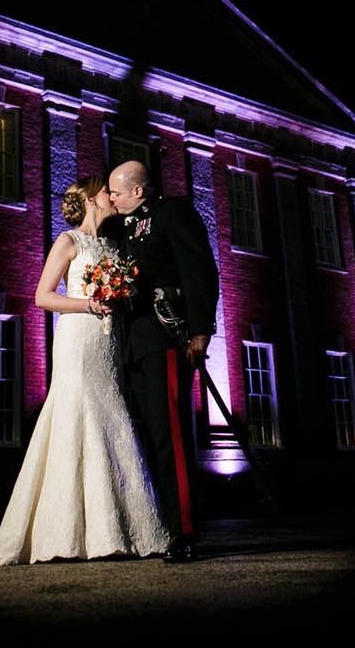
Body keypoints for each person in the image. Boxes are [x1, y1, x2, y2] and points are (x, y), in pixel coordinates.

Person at [0, 176, 171, 567]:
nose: (111, 195)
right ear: (91, 200)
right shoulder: (68, 241)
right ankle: (65, 530)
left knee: (110, 412)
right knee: (76, 411)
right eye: (105, 192)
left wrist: (118, 297)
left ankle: (116, 530)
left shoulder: (112, 245)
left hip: (107, 339)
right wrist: (88, 304)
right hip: (78, 337)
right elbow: (43, 296)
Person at [105, 160, 219, 563]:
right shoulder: (116, 227)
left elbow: (199, 270)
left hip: (165, 335)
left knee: (168, 433)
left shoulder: (172, 213)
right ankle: (158, 524)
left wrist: (201, 329)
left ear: (139, 191)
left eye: (116, 191)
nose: (112, 197)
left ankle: (184, 530)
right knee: (148, 434)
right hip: (133, 343)